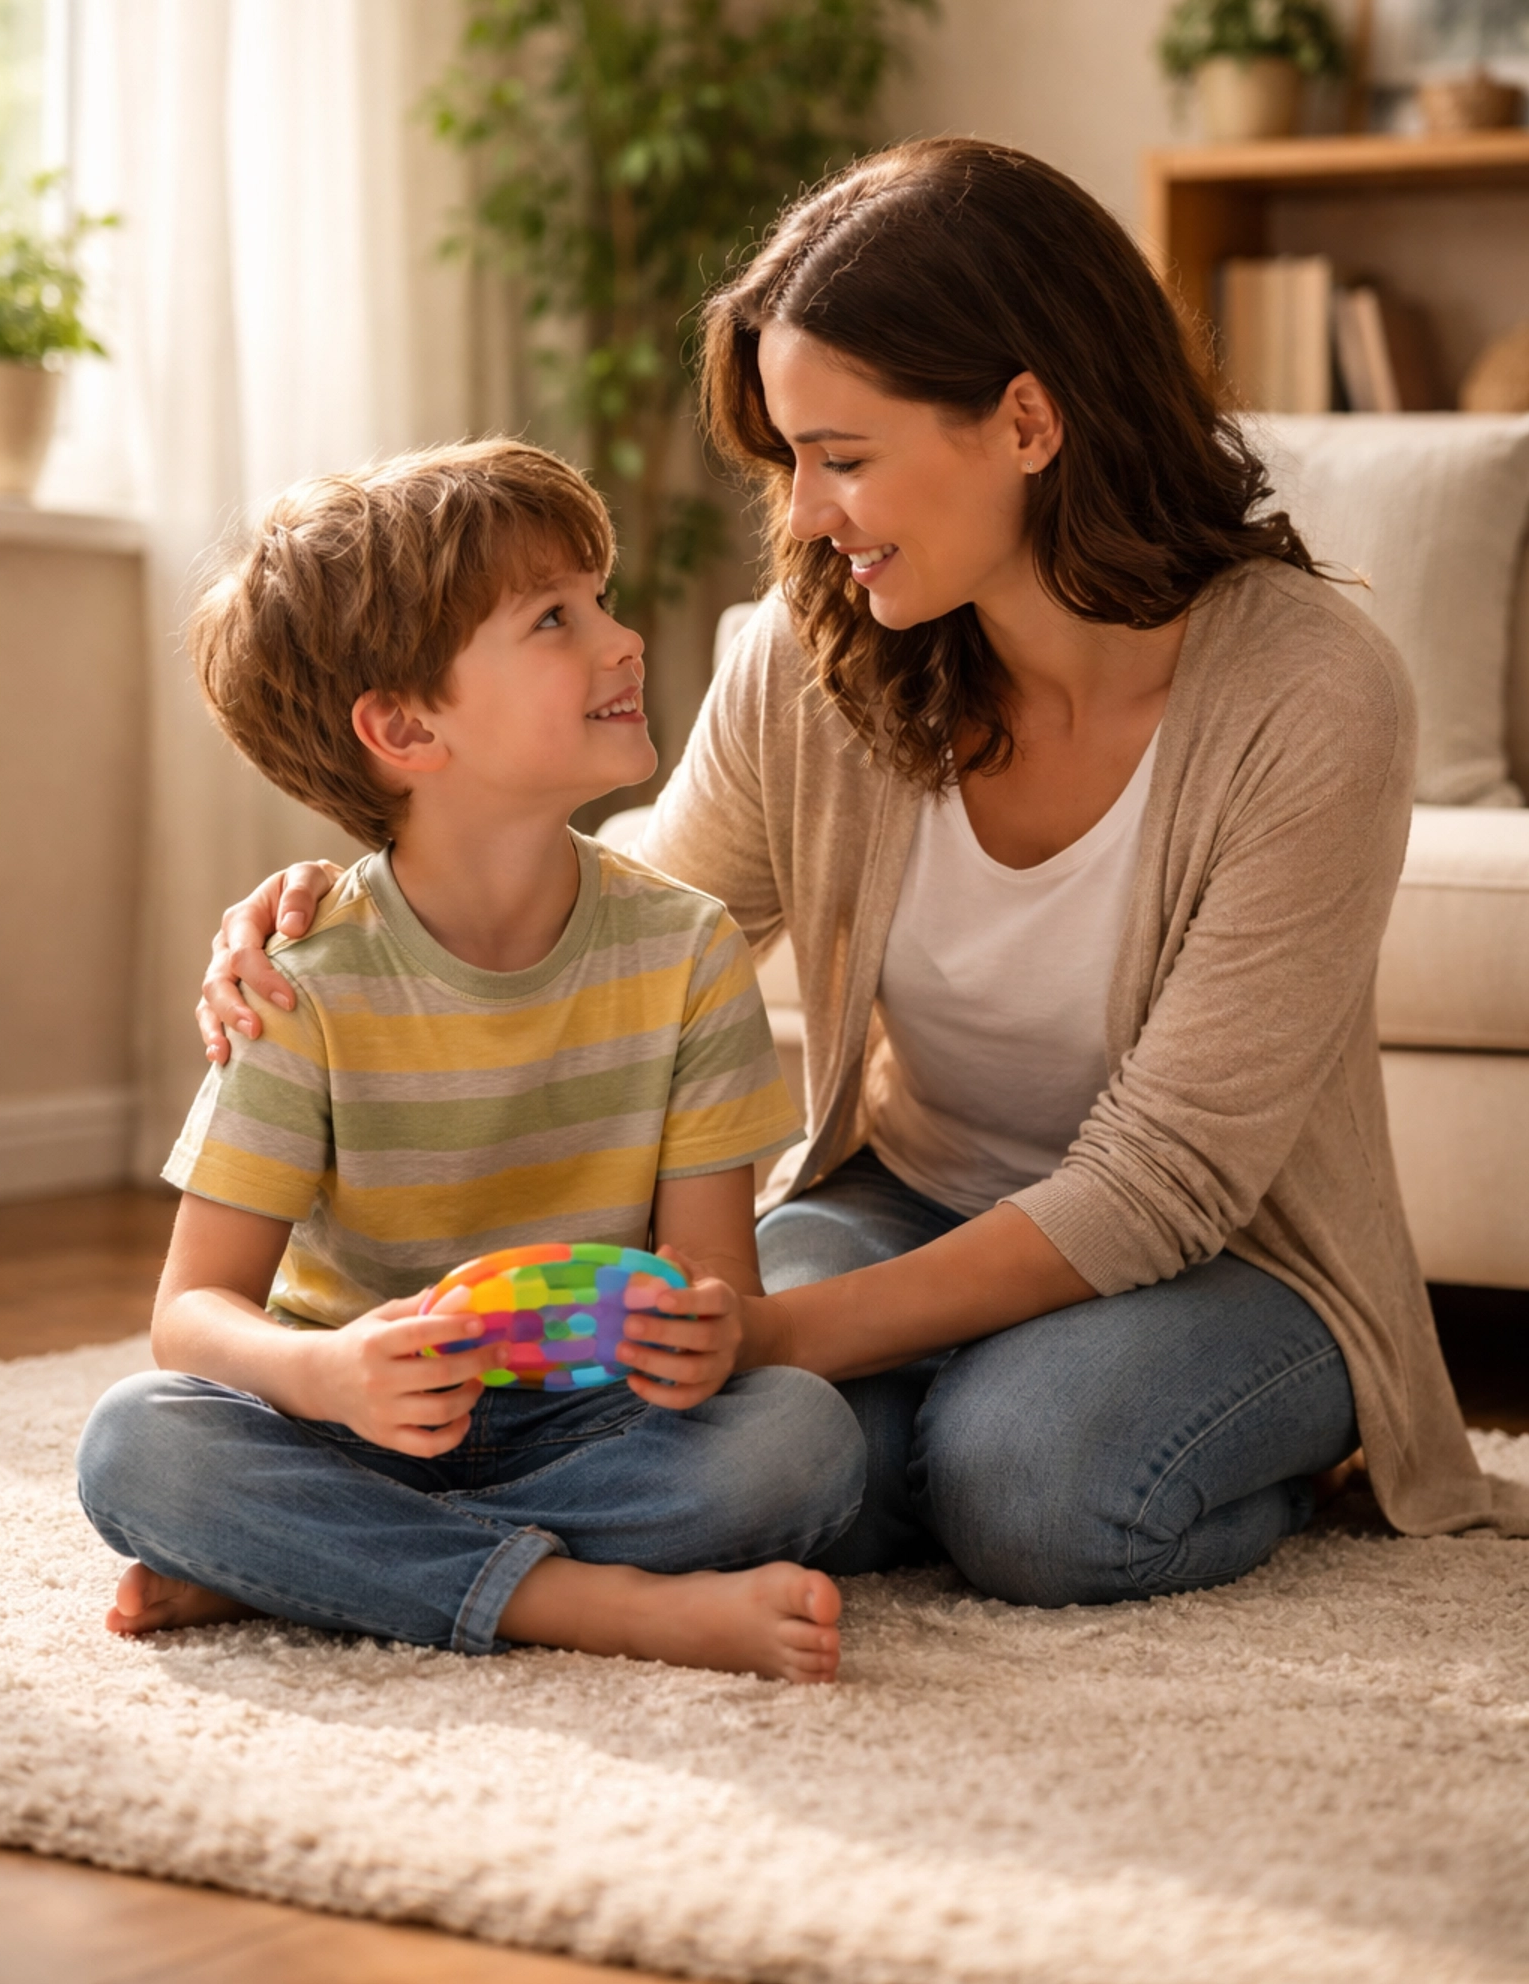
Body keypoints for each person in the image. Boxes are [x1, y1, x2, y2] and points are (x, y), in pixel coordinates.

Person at [197, 140, 1529, 1610]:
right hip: (905, 1194)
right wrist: (366, 898)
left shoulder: (1311, 694)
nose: (811, 516)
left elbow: (1168, 1180)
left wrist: (780, 1336)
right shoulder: (815, 654)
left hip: (1234, 1258)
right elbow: (641, 909)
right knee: (734, 1440)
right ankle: (404, 1555)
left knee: (1032, 1485)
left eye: (843, 457)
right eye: (792, 461)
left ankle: (1254, 1445)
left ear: (1026, 420)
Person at [77, 439, 865, 1682]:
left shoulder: (688, 952)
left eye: (599, 600)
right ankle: (597, 1605)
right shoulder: (305, 978)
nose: (623, 640)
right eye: (555, 618)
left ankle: (311, 1564)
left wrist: (708, 1329)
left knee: (802, 1444)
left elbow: (720, 1279)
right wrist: (328, 1374)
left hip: (592, 1419)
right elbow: (192, 1316)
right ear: (403, 725)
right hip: (356, 1425)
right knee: (138, 1444)